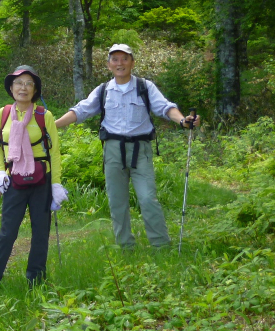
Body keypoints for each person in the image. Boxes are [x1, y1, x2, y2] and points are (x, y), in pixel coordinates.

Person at [54, 44, 200, 249]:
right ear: (108, 64)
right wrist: (52, 126)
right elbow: (81, 111)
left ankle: (161, 246)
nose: (119, 63)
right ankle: (126, 247)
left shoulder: (145, 87)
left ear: (132, 62)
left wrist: (183, 121)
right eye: (115, 59)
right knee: (117, 201)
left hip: (141, 150)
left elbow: (165, 107)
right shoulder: (103, 90)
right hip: (113, 150)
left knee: (148, 198)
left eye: (124, 58)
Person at [0, 66, 66, 290]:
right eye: (19, 83)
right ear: (11, 88)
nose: (23, 87)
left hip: (42, 179)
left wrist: (56, 183)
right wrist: (0, 172)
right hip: (14, 179)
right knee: (7, 232)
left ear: (35, 89)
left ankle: (36, 279)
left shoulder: (43, 115)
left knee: (41, 231)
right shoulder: (4, 113)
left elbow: (54, 152)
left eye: (29, 83)